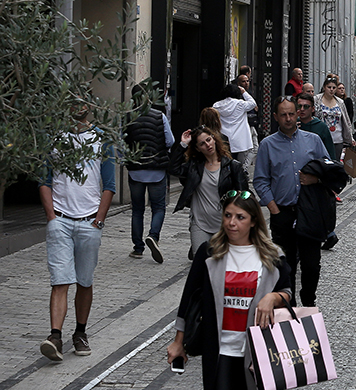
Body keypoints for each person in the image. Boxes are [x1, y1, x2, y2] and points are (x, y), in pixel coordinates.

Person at [166, 191, 292, 390]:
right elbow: (188, 298)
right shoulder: (210, 253)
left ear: (253, 222)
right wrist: (178, 341)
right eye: (228, 216)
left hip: (256, 351)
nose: (232, 223)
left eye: (240, 217)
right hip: (220, 350)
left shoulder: (272, 256)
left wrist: (272, 298)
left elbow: (290, 294)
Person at [39, 103, 115, 361]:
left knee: (84, 280)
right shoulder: (55, 138)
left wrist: (99, 221)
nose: (77, 106)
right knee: (60, 280)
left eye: (81, 101)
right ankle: (55, 336)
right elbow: (45, 179)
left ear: (90, 106)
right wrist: (51, 218)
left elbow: (110, 184)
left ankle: (80, 333)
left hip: (89, 221)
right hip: (60, 219)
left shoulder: (102, 140)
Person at [254, 96, 330, 307]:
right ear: (276, 117)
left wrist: (316, 179)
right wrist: (273, 208)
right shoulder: (267, 145)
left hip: (309, 212)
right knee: (285, 264)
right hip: (283, 212)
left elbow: (329, 170)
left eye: (291, 113)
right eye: (283, 114)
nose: (288, 118)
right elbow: (260, 180)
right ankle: (290, 306)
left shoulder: (313, 140)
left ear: (298, 114)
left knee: (311, 265)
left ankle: (308, 301)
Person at [170, 125, 249, 255]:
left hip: (226, 224)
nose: (207, 145)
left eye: (208, 140)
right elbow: (173, 169)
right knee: (201, 264)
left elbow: (245, 195)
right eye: (202, 144)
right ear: (197, 149)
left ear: (214, 139)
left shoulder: (232, 166)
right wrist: (183, 145)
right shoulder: (194, 166)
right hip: (200, 223)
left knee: (222, 265)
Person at [125, 82, 174, 263]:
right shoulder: (159, 116)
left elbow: (121, 144)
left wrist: (128, 159)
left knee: (137, 210)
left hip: (136, 171)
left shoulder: (128, 117)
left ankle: (138, 248)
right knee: (158, 207)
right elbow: (170, 141)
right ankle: (153, 236)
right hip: (157, 169)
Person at [213, 83, 258, 168]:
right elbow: (252, 103)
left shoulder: (217, 105)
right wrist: (244, 92)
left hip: (223, 137)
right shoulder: (240, 104)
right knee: (238, 164)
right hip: (240, 139)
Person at [316, 78, 355, 161]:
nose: (331, 90)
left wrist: (350, 138)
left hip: (337, 139)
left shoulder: (340, 102)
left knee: (335, 163)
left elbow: (346, 121)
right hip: (322, 138)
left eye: (334, 88)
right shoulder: (317, 100)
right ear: (324, 87)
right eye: (329, 87)